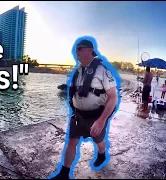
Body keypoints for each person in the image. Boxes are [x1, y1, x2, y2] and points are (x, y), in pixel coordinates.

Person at [49, 39, 119, 179]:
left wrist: (101, 121)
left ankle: (101, 153)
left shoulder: (102, 71)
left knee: (98, 141)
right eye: (76, 49)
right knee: (71, 142)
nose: (76, 52)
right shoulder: (78, 71)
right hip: (78, 116)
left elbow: (113, 97)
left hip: (95, 117)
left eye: (79, 49)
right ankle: (64, 173)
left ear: (89, 50)